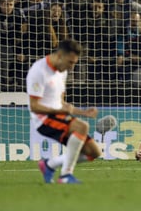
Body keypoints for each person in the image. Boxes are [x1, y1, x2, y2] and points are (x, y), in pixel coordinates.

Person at [27, 39, 102, 184]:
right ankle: (66, 176)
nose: (72, 67)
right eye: (70, 62)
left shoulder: (62, 72)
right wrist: (62, 110)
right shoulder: (38, 71)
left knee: (94, 153)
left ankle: (49, 164)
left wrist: (83, 112)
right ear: (60, 55)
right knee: (83, 127)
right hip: (43, 119)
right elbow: (34, 106)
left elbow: (61, 103)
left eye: (74, 63)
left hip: (58, 116)